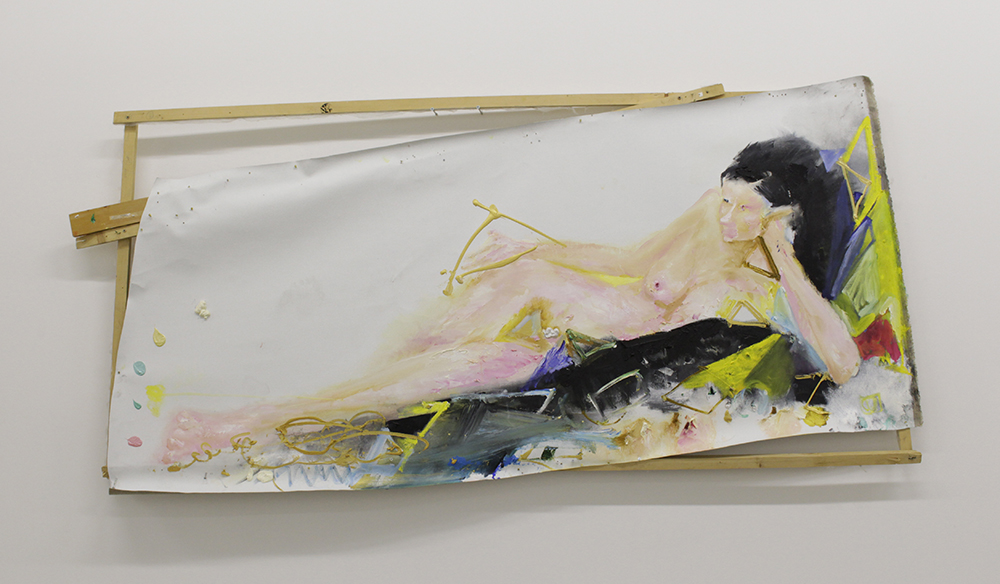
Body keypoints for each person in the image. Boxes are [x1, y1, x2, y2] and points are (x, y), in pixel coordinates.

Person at [162, 135, 861, 466]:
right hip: (563, 306)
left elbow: (844, 364)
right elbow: (629, 263)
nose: (727, 217)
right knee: (503, 291)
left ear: (783, 219)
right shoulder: (710, 212)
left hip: (572, 357)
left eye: (746, 211)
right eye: (728, 199)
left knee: (464, 365)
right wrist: (539, 247)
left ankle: (264, 419)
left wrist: (783, 256)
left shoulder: (765, 290)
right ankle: (327, 410)